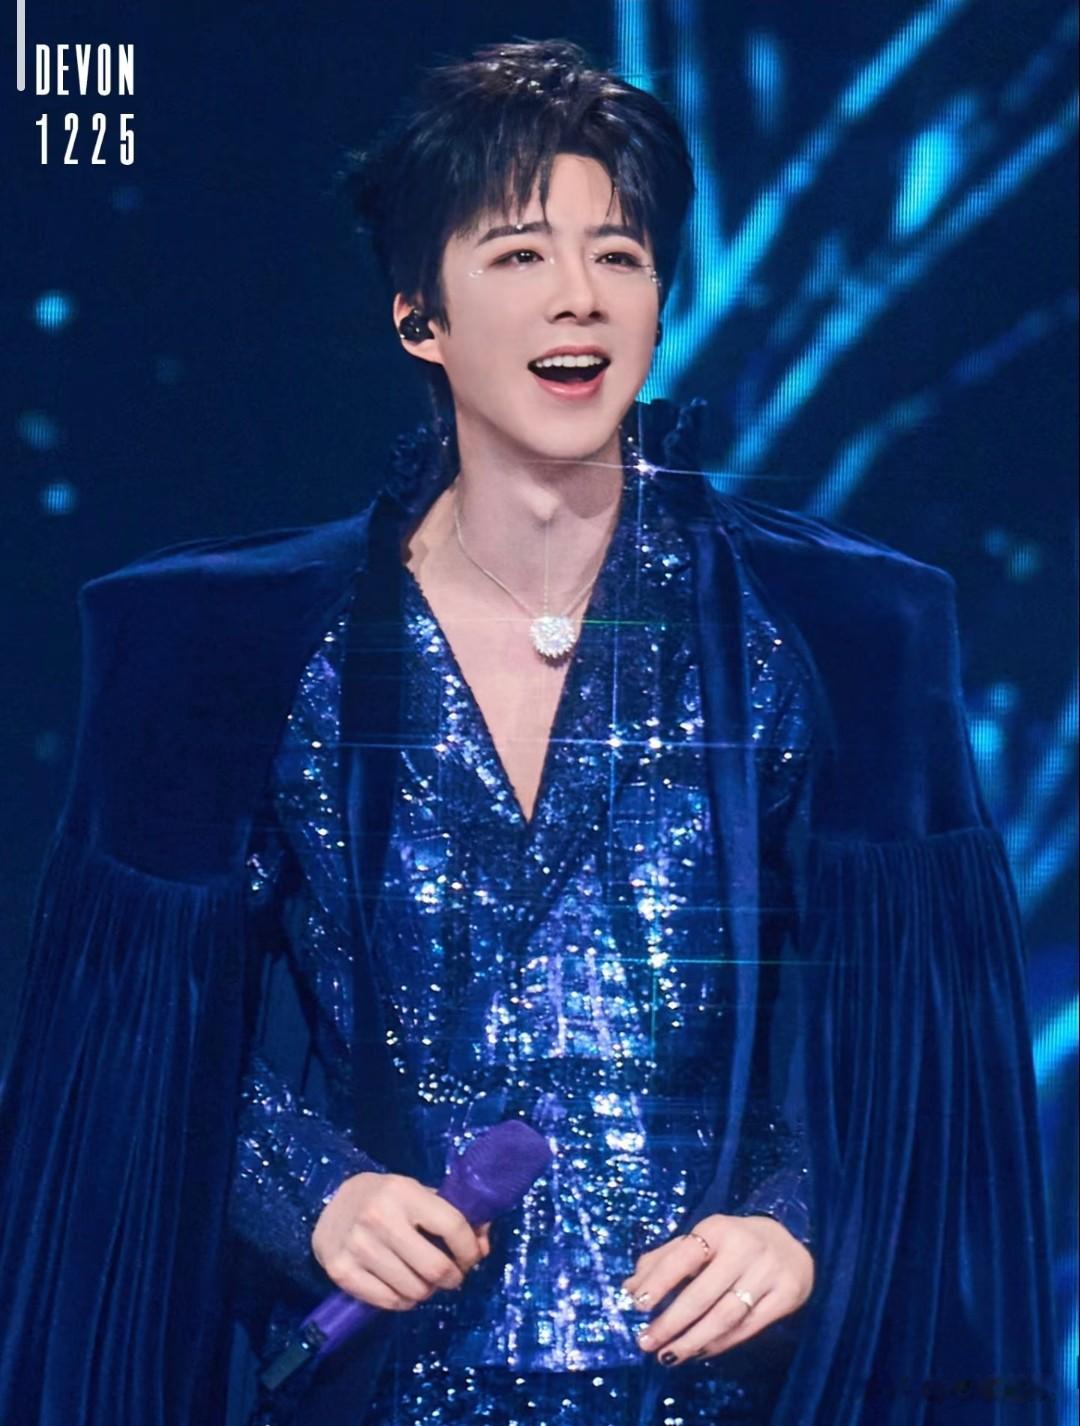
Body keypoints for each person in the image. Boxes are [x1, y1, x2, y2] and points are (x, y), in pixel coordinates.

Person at [0, 36, 1056, 1426]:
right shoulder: (242, 648)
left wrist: (801, 1221)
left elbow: (925, 1041)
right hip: (389, 1388)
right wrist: (310, 1193)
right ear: (417, 317)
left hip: (716, 1396)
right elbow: (128, 1050)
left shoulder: (834, 632)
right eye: (518, 254)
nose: (580, 296)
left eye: (620, 255)